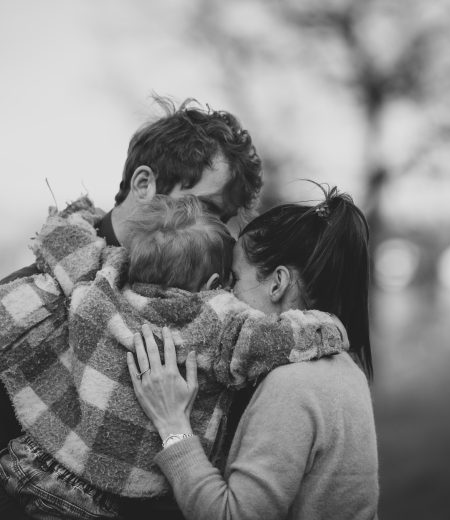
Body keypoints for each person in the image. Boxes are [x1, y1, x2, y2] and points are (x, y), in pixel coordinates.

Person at [0, 193, 348, 519]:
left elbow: (65, 244)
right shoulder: (212, 322)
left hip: (27, 458)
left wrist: (80, 213)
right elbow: (281, 339)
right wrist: (329, 326)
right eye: (229, 280)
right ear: (214, 284)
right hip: (90, 502)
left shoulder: (102, 282)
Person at [0, 96, 262, 519]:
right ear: (144, 184)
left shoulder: (223, 314)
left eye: (226, 219)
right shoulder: (29, 299)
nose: (220, 234)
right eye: (208, 208)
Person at [130, 186, 379, 520]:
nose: (222, 294)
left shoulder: (292, 384)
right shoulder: (341, 365)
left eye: (234, 279)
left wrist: (172, 424)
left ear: (277, 283)